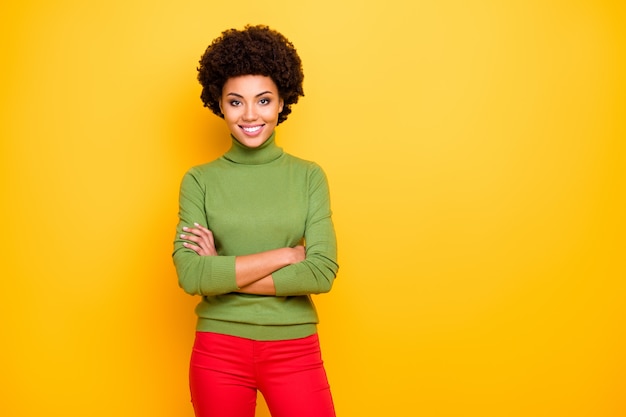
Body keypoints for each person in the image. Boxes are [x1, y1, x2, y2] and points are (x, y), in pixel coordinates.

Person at [172, 25, 339, 417]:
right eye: (236, 102)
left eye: (263, 100)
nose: (250, 115)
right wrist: (286, 254)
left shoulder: (308, 176)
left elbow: (321, 273)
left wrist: (222, 275)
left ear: (282, 101)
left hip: (295, 349)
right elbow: (191, 276)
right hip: (218, 351)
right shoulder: (199, 180)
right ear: (220, 105)